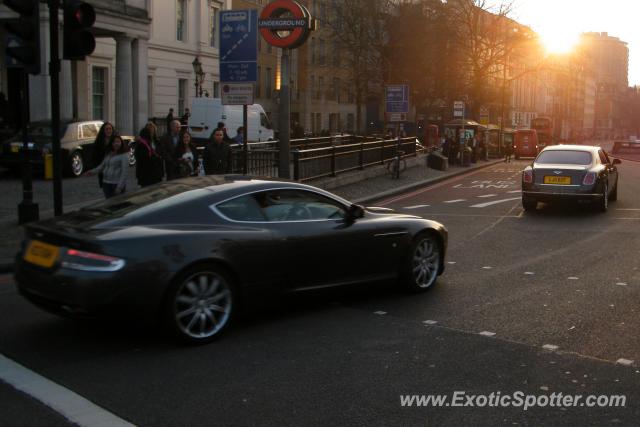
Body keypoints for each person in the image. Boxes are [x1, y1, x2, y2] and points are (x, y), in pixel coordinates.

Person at [90, 122, 115, 188]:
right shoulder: (99, 142)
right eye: (106, 129)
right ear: (103, 131)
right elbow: (95, 157)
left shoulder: (116, 140)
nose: (109, 131)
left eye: (110, 129)